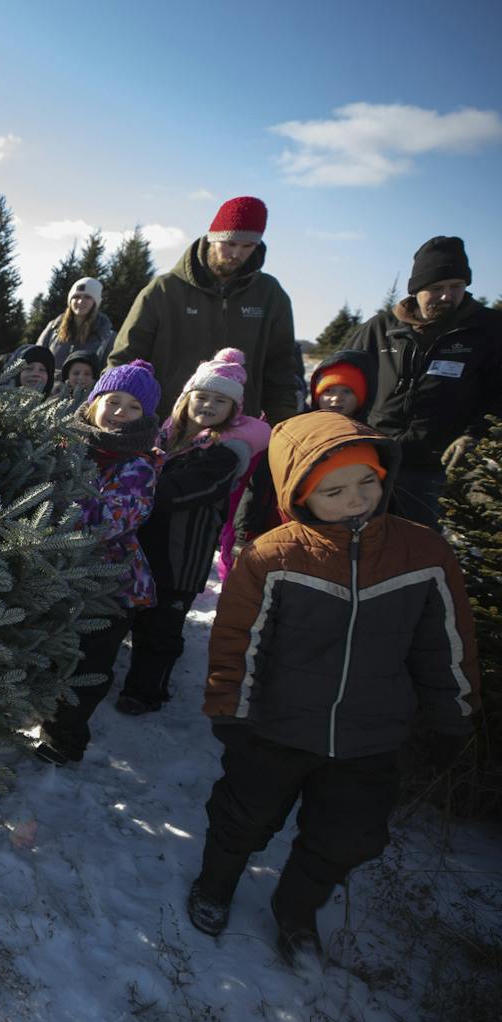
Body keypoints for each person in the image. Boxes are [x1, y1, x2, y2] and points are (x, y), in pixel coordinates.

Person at [189, 411, 478, 963]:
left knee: (347, 835)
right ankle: (215, 884)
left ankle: (296, 909)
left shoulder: (423, 553)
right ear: (299, 493)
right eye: (335, 490)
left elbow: (445, 641)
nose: (356, 499)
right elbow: (237, 641)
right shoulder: (273, 556)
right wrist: (231, 709)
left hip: (371, 735)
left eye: (367, 481)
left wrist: (451, 714)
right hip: (276, 727)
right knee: (242, 816)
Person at [116, 350, 270, 714]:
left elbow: (181, 492)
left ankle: (146, 691)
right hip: (145, 547)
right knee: (134, 613)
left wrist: (137, 485)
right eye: (201, 397)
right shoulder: (164, 438)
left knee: (161, 628)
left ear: (233, 410)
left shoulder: (226, 452)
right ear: (185, 400)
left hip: (181, 556)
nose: (208, 405)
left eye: (220, 400)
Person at [33, 361, 163, 765]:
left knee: (88, 664)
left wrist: (54, 504)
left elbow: (110, 520)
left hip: (110, 583)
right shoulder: (65, 446)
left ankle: (64, 740)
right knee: (53, 650)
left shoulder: (138, 465)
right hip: (57, 572)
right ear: (93, 403)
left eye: (133, 407)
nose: (121, 411)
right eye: (113, 401)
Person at [344, 236, 502, 528]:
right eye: (436, 288)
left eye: (456, 287)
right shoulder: (381, 328)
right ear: (416, 290)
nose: (447, 296)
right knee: (364, 541)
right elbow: (342, 377)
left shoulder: (489, 330)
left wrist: (475, 435)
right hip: (371, 459)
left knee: (417, 548)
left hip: (437, 467)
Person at [110, 196, 299, 423]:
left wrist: (282, 426)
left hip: (237, 432)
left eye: (247, 246)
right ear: (212, 239)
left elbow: (281, 370)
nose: (237, 253)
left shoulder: (270, 295)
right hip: (161, 424)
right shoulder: (164, 290)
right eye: (229, 243)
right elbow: (125, 359)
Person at [229, 348, 378, 565]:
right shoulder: (294, 432)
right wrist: (244, 533)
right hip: (283, 532)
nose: (336, 398)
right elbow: (260, 483)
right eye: (329, 391)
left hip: (342, 543)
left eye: (347, 391)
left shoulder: (371, 440)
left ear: (362, 396)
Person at [37, 277, 115, 367]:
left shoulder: (107, 337)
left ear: (95, 302)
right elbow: (32, 355)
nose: (81, 301)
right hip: (51, 381)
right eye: (76, 296)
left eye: (87, 297)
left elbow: (112, 369)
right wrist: (16, 370)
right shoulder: (53, 328)